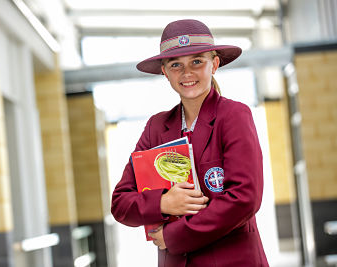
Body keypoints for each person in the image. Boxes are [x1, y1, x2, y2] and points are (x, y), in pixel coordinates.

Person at [111, 19, 269, 267]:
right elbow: (121, 203)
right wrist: (164, 202)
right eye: (176, 65)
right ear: (164, 72)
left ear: (214, 64)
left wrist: (174, 235)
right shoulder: (156, 128)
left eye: (197, 61)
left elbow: (244, 198)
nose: (187, 73)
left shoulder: (234, 116)